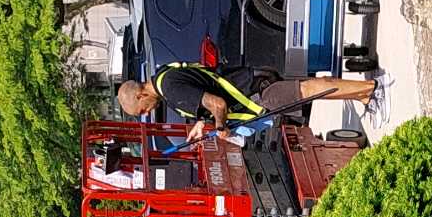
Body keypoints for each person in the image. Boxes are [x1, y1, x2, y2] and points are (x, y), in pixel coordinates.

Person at [117, 66, 379, 140]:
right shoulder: (163, 75)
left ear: (141, 95)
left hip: (254, 93)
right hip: (251, 83)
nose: (148, 112)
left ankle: (368, 88)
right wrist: (200, 123)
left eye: (144, 109)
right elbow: (202, 89)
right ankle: (363, 94)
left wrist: (220, 128)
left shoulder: (170, 90)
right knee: (307, 90)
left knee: (307, 90)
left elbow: (218, 104)